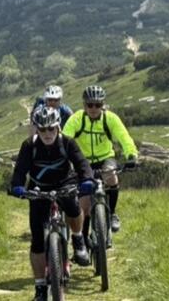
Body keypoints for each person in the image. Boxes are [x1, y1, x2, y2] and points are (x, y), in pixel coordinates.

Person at [10, 105, 95, 301]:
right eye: (42, 129)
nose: (47, 133)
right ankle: (40, 289)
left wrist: (87, 180)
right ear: (37, 129)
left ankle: (78, 238)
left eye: (51, 128)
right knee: (38, 241)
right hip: (39, 189)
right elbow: (20, 172)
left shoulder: (67, 142)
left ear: (58, 127)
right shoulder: (28, 146)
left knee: (74, 209)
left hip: (65, 183)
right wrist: (17, 187)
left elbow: (82, 164)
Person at [62, 85, 138, 239]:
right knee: (83, 205)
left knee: (111, 176)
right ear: (84, 105)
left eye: (98, 105)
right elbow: (64, 140)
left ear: (103, 105)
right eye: (90, 104)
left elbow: (124, 137)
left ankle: (113, 214)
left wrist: (131, 155)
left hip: (105, 158)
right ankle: (81, 241)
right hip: (83, 162)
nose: (94, 108)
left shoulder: (110, 119)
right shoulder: (77, 119)